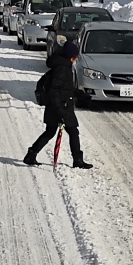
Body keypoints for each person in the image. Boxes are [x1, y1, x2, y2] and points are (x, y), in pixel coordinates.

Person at [26, 39, 90, 169]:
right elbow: (55, 92)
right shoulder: (63, 69)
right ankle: (78, 160)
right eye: (75, 57)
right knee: (73, 132)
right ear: (70, 57)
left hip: (56, 106)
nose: (76, 59)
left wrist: (80, 94)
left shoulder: (62, 66)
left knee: (50, 132)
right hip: (61, 107)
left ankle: (31, 155)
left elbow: (65, 88)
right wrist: (60, 111)